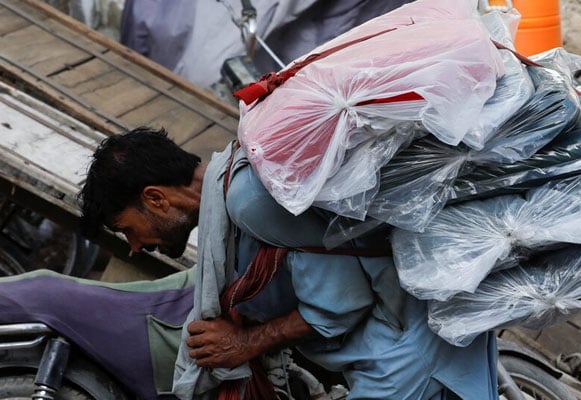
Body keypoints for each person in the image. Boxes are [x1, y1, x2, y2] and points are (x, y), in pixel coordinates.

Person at [79, 127, 499, 400]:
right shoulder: (233, 192)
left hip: (407, 356)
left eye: (126, 228)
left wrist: (245, 343)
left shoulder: (247, 202)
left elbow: (340, 303)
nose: (134, 246)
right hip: (397, 347)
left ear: (156, 198)